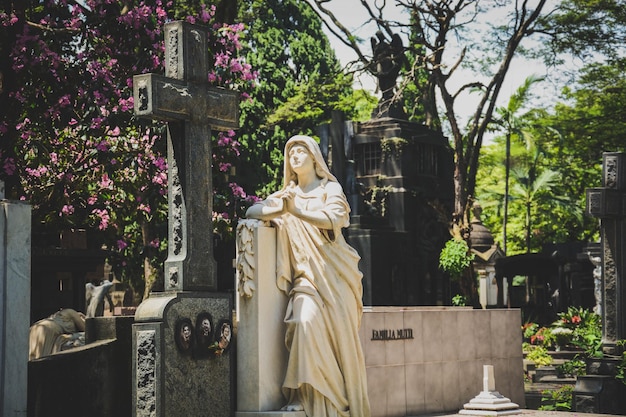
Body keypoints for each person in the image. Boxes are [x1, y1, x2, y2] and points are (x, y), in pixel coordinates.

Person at [245, 135, 371, 417]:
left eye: (301, 151)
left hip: (335, 279)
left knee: (338, 346)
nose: (295, 157)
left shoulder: (330, 189)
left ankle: (337, 402)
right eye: (291, 154)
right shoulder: (286, 195)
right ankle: (304, 395)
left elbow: (334, 220)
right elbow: (252, 210)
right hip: (305, 281)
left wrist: (296, 211)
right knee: (302, 323)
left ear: (315, 158)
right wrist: (281, 208)